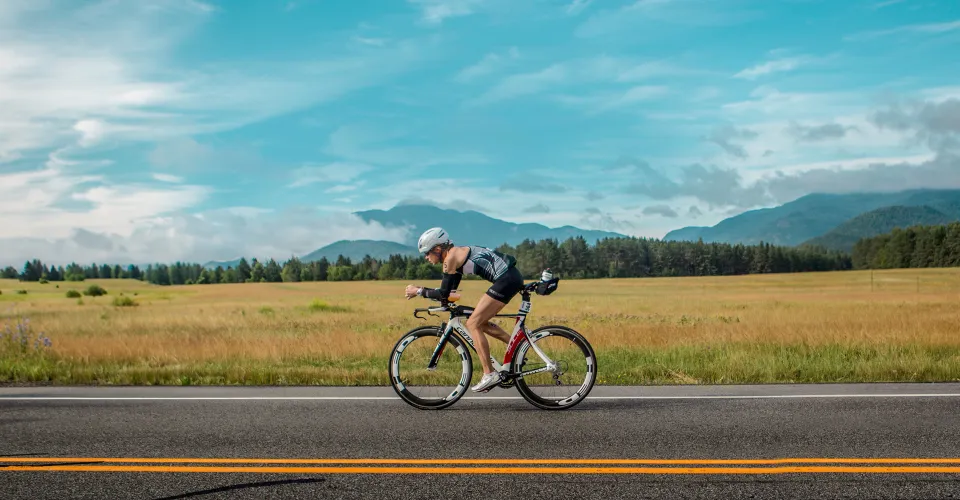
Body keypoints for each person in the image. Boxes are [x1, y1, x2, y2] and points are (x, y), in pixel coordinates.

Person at [404, 227, 525, 393]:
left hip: (506, 279)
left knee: (473, 323)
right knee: (479, 322)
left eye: (427, 253)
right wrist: (441, 299)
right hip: (510, 277)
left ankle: (489, 374)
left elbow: (443, 293)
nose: (426, 257)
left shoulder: (450, 259)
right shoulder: (455, 255)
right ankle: (519, 346)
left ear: (438, 249)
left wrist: (418, 290)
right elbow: (450, 294)